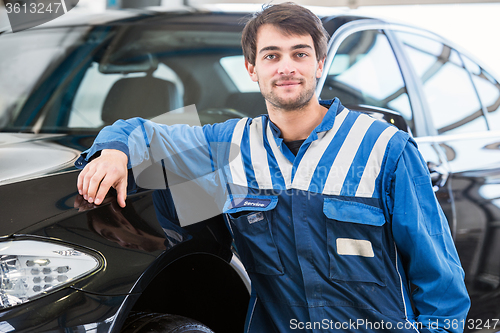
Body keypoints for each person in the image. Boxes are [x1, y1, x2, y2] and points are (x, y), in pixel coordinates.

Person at [75, 2, 470, 332]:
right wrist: (113, 153)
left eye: (300, 53)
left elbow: (439, 282)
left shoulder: (385, 148)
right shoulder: (228, 144)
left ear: (319, 64)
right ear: (252, 69)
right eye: (271, 56)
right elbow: (137, 132)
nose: (287, 67)